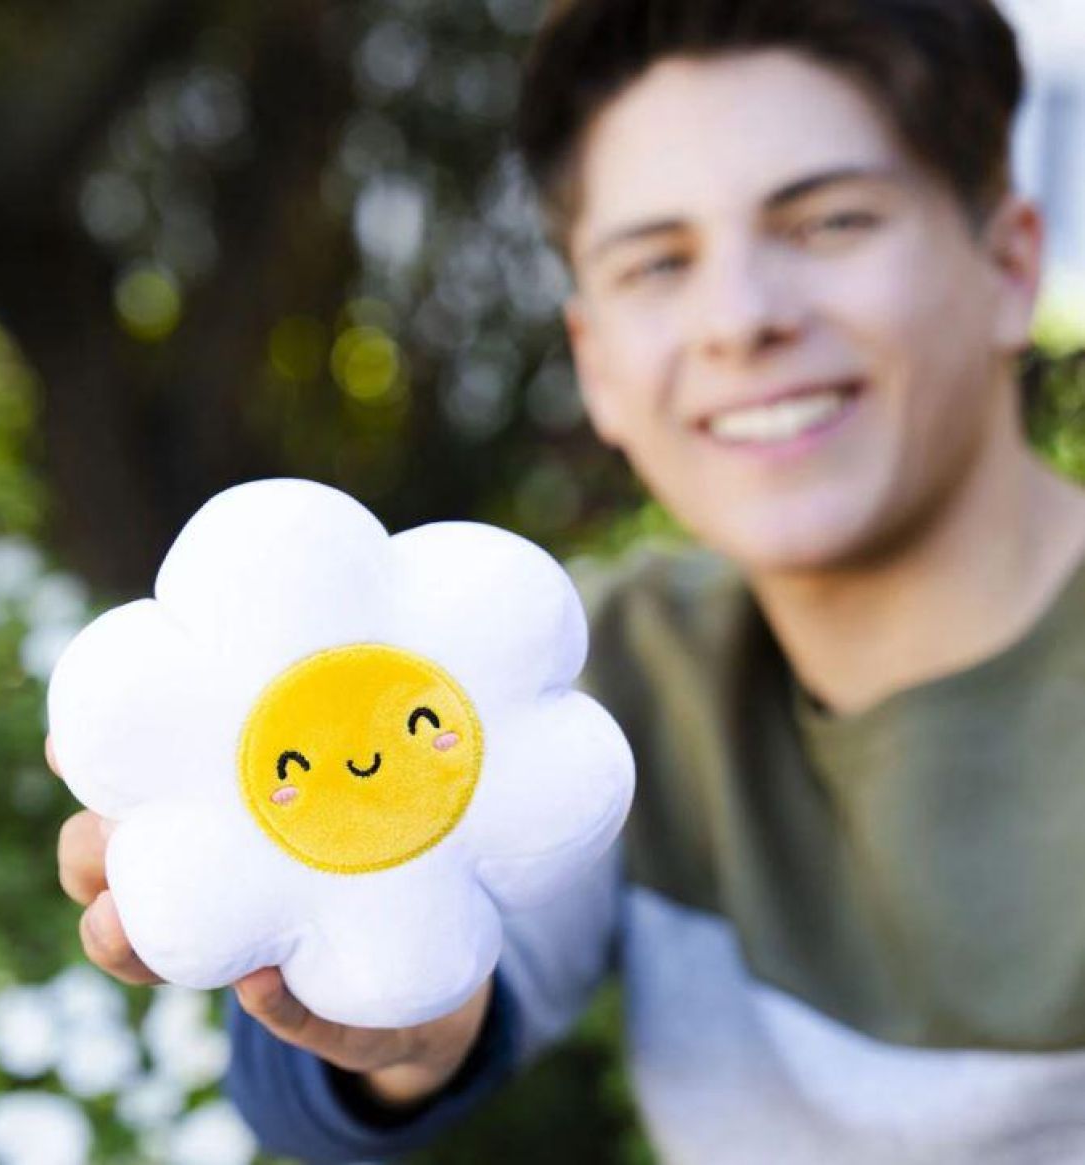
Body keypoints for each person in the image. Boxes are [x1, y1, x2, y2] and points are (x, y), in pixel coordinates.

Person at [54, 0, 1085, 1160]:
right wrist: (388, 1026)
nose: (739, 320)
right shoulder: (601, 670)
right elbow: (389, 1022)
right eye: (656, 263)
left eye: (829, 221)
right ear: (594, 362)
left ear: (1008, 265)